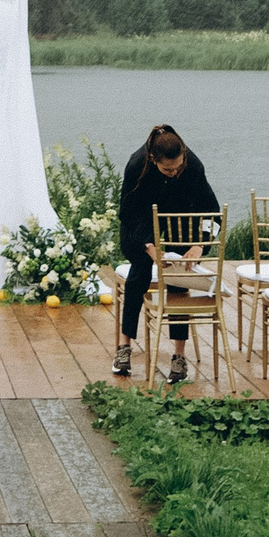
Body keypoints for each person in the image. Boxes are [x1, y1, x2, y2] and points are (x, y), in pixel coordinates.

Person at [115, 122, 221, 385]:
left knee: (178, 276)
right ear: (153, 160)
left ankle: (179, 355)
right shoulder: (137, 164)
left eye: (177, 167)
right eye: (167, 169)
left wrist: (201, 244)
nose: (173, 173)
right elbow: (126, 212)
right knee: (138, 272)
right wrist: (148, 246)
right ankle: (124, 347)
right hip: (140, 224)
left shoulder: (193, 166)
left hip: (179, 222)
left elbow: (212, 212)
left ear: (184, 155)